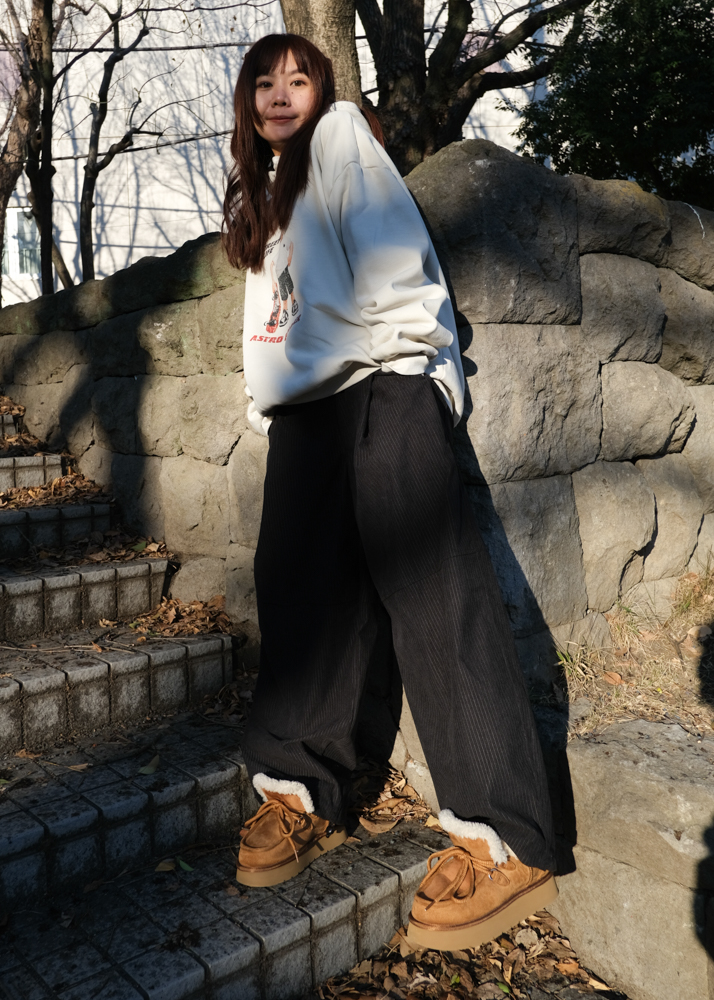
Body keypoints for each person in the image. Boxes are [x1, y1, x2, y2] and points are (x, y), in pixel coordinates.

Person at [222, 32, 558, 951]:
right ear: (247, 104)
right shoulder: (262, 192)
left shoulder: (339, 136)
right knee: (302, 601)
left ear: (323, 88)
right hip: (304, 414)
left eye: (298, 78)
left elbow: (392, 251)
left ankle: (504, 837)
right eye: (264, 82)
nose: (282, 93)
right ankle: (302, 788)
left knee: (436, 595)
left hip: (383, 383)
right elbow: (267, 317)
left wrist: (415, 374)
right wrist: (268, 411)